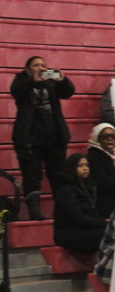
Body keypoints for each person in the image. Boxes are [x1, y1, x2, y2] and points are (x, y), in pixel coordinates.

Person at [10, 55, 75, 219]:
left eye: (43, 65)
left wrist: (63, 81)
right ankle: (34, 210)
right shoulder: (21, 80)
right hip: (30, 139)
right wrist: (32, 80)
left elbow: (68, 93)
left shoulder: (50, 81)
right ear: (27, 69)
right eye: (36, 65)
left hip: (54, 137)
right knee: (31, 175)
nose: (41, 68)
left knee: (59, 175)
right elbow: (15, 91)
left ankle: (63, 209)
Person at [52, 154, 106, 253]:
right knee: (110, 234)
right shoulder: (66, 190)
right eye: (80, 166)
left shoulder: (89, 186)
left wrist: (104, 221)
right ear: (72, 167)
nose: (85, 168)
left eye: (87, 165)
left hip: (84, 229)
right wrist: (103, 223)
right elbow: (77, 218)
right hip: (69, 233)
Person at [86, 123, 115, 218]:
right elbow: (103, 184)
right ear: (97, 139)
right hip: (106, 207)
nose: (110, 139)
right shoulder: (94, 156)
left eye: (113, 136)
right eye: (105, 137)